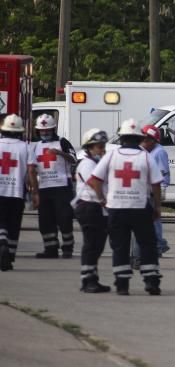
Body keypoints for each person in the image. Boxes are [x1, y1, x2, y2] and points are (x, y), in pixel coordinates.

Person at [87, 119, 164, 296]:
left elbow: (94, 180)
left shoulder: (111, 156)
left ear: (121, 138)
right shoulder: (146, 156)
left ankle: (122, 284)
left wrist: (102, 199)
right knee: (147, 244)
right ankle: (151, 281)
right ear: (139, 138)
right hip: (140, 207)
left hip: (116, 208)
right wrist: (157, 207)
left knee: (120, 246)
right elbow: (156, 184)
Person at [29, 113, 77, 258]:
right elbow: (32, 168)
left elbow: (74, 159)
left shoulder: (62, 142)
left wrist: (59, 153)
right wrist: (33, 189)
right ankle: (50, 249)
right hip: (44, 187)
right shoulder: (35, 146)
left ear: (53, 129)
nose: (44, 133)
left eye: (47, 130)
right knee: (45, 220)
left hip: (62, 187)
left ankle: (68, 248)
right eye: (42, 131)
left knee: (64, 218)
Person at [75, 128, 111, 293]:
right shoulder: (87, 164)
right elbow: (94, 183)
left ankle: (91, 278)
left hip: (96, 208)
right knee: (91, 244)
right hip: (89, 207)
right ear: (89, 148)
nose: (102, 150)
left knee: (97, 245)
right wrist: (103, 200)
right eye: (98, 146)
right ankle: (88, 280)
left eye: (103, 146)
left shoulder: (96, 163)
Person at [130, 125, 170, 266]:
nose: (143, 142)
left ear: (152, 140)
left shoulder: (159, 152)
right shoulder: (146, 152)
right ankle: (158, 244)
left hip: (154, 190)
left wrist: (162, 188)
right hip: (148, 190)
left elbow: (162, 173)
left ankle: (158, 245)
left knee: (155, 220)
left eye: (145, 140)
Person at [0, 114, 35, 272]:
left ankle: (1, 243)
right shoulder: (26, 147)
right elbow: (31, 172)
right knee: (13, 225)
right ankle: (10, 256)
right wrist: (35, 193)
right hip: (17, 193)